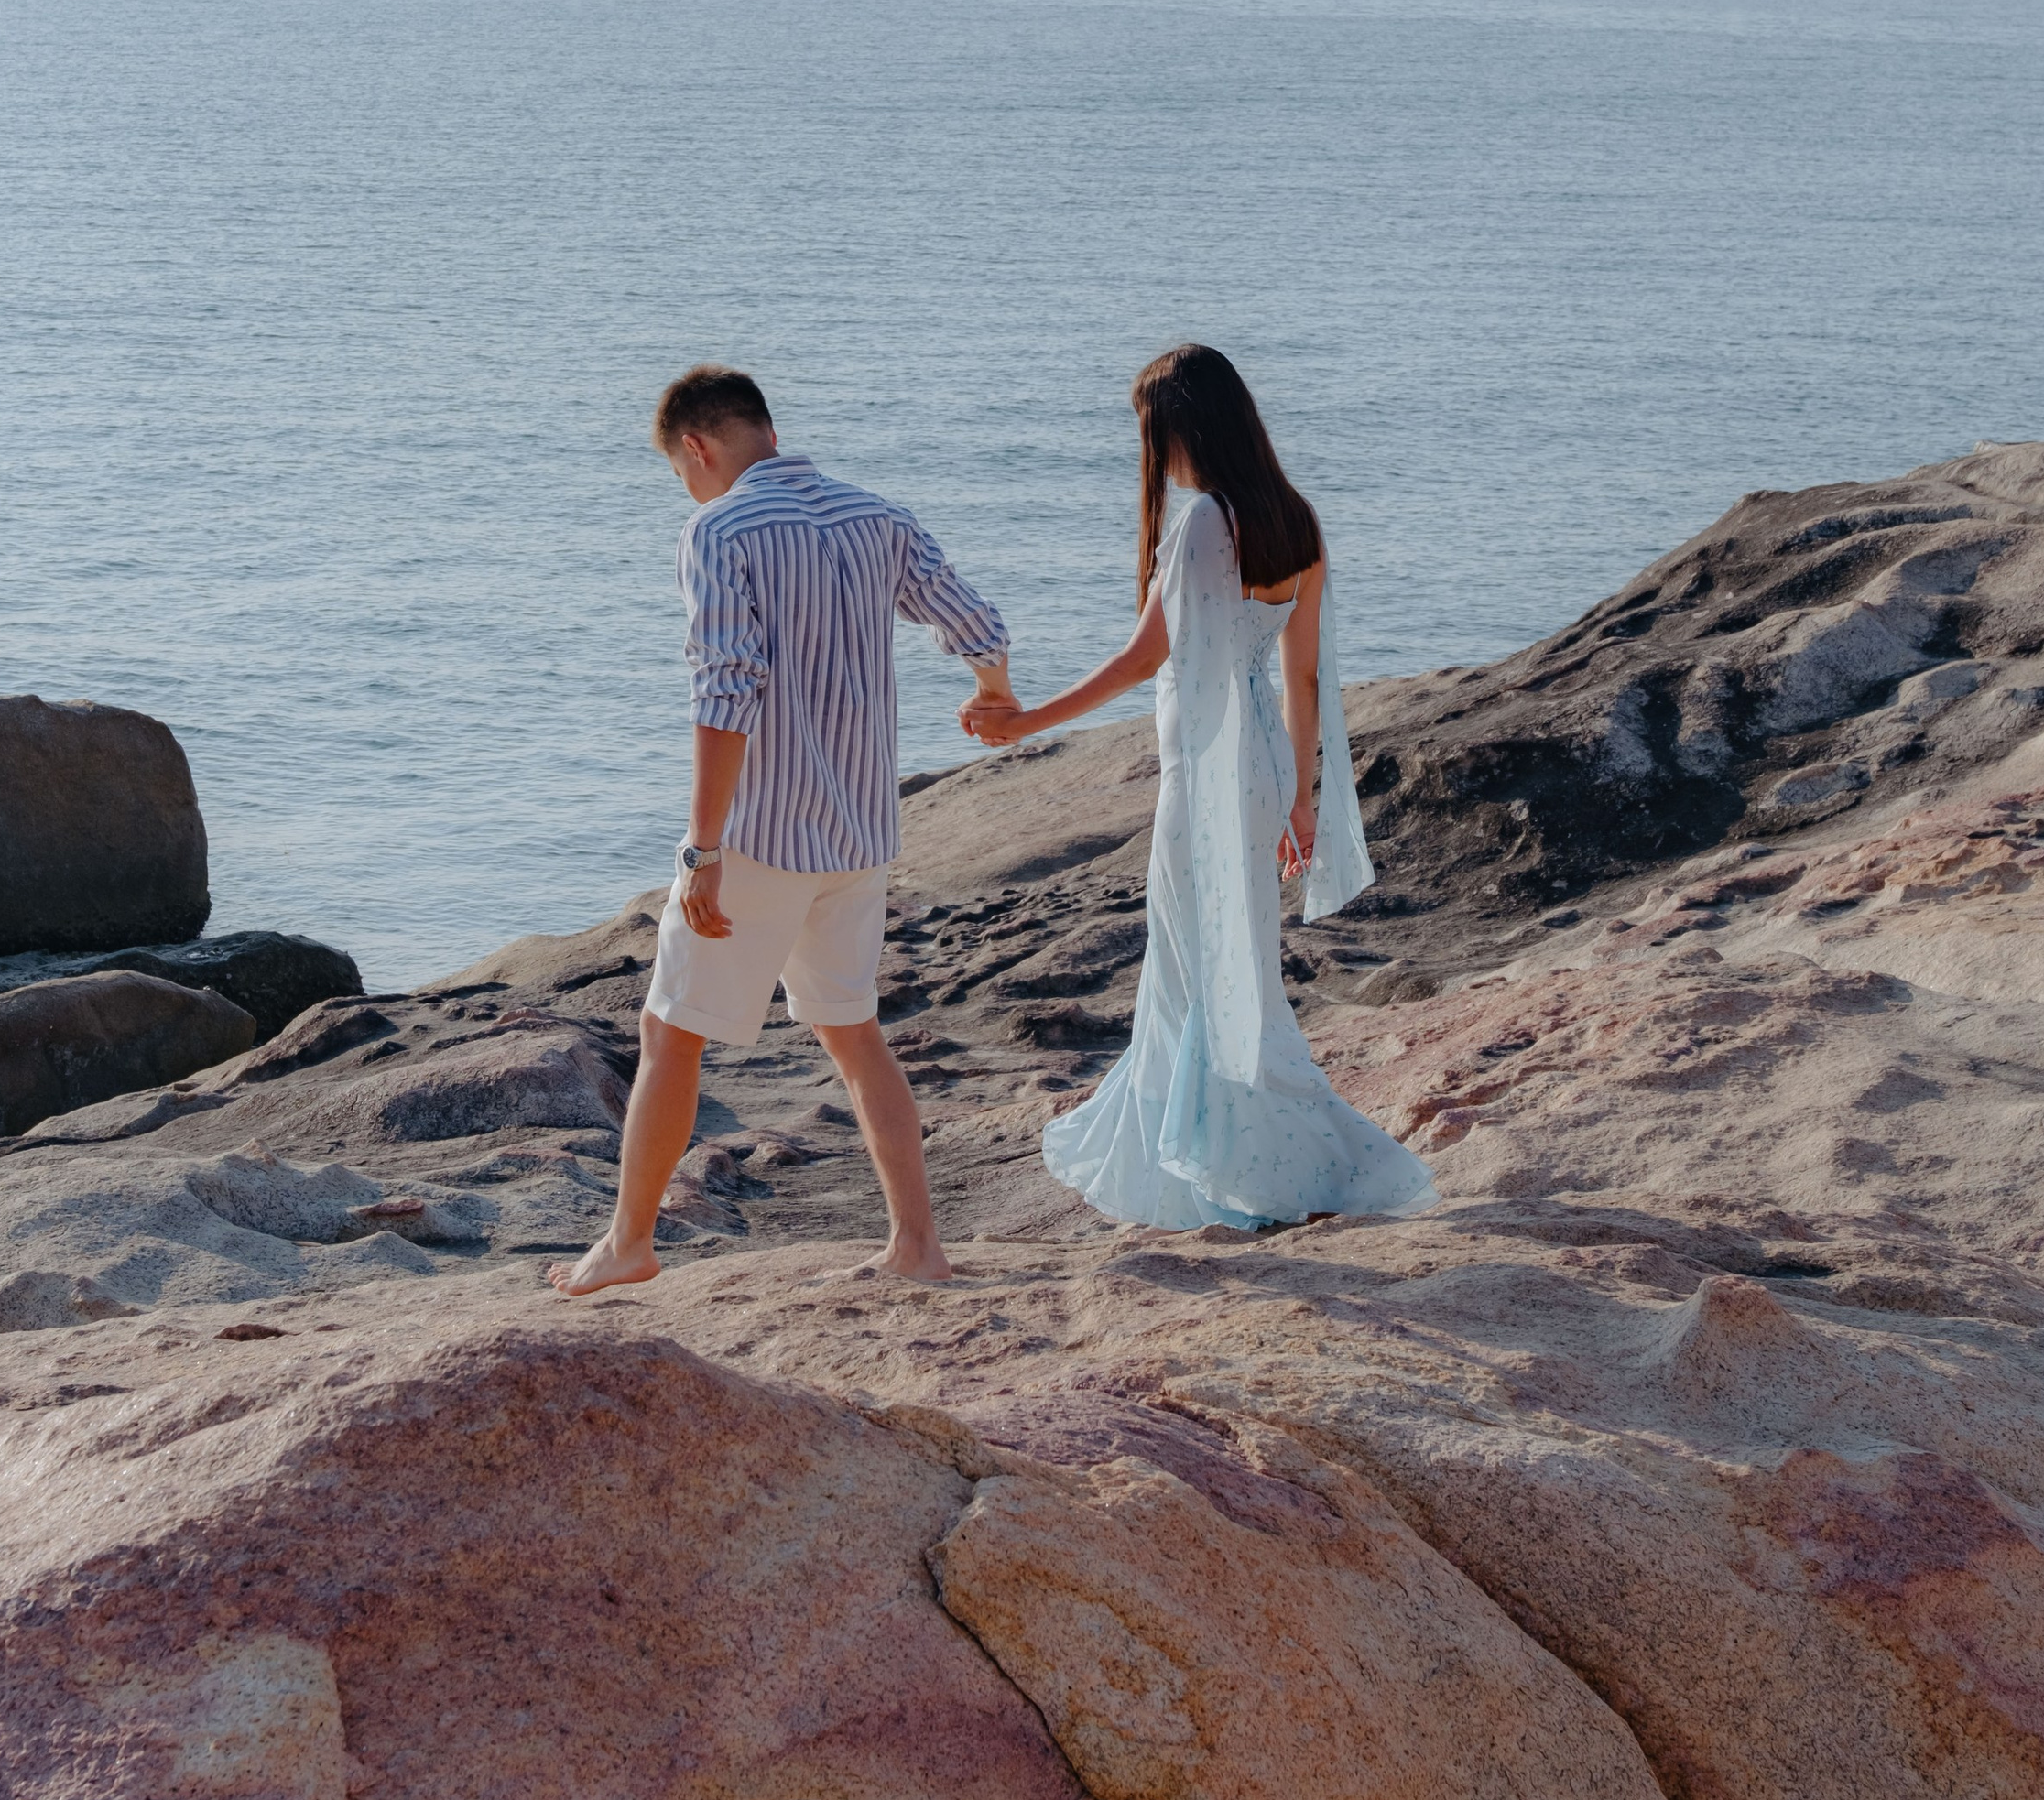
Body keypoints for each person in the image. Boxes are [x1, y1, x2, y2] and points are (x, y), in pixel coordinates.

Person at [549, 365, 1012, 1297]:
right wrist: (991, 691)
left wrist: (702, 848)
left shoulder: (718, 528)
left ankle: (629, 1245)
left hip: (762, 837)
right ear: (765, 427)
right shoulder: (876, 515)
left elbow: (725, 687)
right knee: (854, 1036)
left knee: (670, 1032)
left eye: (682, 471)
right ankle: (917, 1245)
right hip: (858, 835)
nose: (689, 488)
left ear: (696, 447)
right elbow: (972, 621)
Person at [961, 343, 1437, 1234]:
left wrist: (1025, 724)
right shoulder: (1296, 521)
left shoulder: (1200, 525)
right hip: (1259, 769)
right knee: (1234, 968)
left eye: (1154, 428)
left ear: (1187, 427)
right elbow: (1301, 684)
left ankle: (1218, 1174)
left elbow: (1146, 658)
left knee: (1187, 967)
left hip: (1206, 777)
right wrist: (1299, 797)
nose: (1153, 448)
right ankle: (1212, 1165)